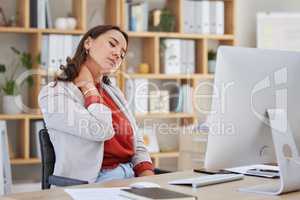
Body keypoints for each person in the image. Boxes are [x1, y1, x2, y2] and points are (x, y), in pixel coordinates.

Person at [38, 25, 154, 183]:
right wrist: (88, 87)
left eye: (122, 54)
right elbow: (100, 130)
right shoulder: (53, 94)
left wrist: (147, 176)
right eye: (112, 44)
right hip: (94, 182)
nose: (117, 55)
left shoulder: (115, 93)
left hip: (131, 176)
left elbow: (136, 140)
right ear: (88, 43)